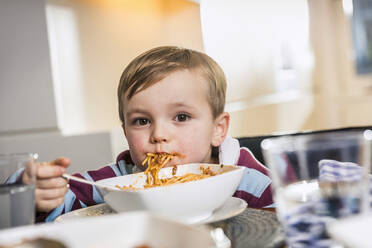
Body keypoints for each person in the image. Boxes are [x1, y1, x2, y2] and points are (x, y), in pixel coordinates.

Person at [24, 46, 274, 222]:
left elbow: (286, 221)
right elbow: (62, 205)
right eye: (142, 121)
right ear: (125, 132)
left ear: (218, 129)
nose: (159, 135)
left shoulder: (247, 180)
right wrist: (37, 193)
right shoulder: (117, 182)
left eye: (181, 117)